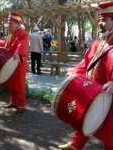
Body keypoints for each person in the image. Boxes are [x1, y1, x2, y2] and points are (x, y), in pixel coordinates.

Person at [58, 1, 113, 149]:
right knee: (85, 118)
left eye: (104, 20)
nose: (100, 23)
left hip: (108, 95)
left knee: (110, 133)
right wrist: (75, 73)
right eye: (100, 19)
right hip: (92, 91)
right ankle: (75, 145)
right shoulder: (98, 42)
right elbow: (86, 62)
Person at [0, 11, 29, 113]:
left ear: (17, 24)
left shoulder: (23, 33)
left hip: (18, 62)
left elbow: (22, 45)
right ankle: (13, 102)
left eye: (11, 23)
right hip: (9, 62)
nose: (8, 25)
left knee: (19, 84)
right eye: (8, 23)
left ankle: (21, 105)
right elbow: (5, 44)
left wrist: (17, 53)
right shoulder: (12, 34)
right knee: (11, 83)